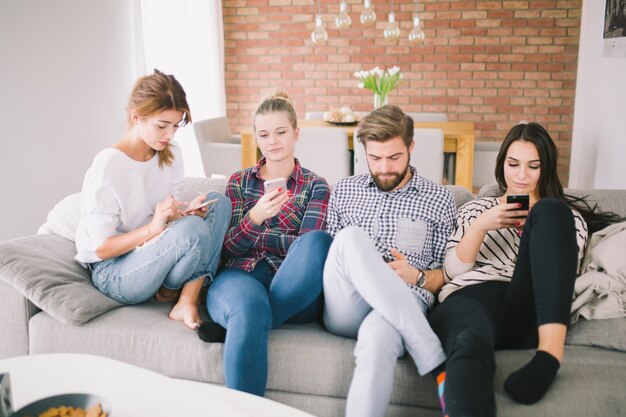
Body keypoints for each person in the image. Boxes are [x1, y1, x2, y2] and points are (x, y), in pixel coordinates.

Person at [429, 122, 623, 416]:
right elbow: (452, 272)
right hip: (470, 298)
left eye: (533, 166)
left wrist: (534, 227)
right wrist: (484, 224)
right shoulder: (475, 210)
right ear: (502, 163)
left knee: (550, 210)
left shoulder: (565, 218)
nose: (521, 176)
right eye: (513, 164)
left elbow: (559, 273)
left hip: (526, 303)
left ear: (546, 168)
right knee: (468, 344)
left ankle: (549, 355)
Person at [323, 105, 456, 417]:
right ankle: (435, 360)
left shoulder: (439, 199)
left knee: (377, 340)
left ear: (411, 147)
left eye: (394, 157)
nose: (384, 167)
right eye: (375, 158)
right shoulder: (344, 190)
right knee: (351, 238)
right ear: (364, 152)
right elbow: (333, 256)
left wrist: (417, 276)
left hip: (404, 301)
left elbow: (446, 275)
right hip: (348, 304)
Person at [74, 69, 231, 330]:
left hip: (154, 252)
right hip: (115, 270)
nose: (169, 135)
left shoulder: (171, 153)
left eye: (175, 126)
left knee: (219, 203)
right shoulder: (109, 166)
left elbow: (164, 218)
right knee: (193, 231)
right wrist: (153, 228)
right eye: (162, 125)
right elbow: (101, 248)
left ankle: (185, 300)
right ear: (137, 117)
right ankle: (180, 290)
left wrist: (183, 213)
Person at [201, 90, 334, 396]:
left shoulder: (316, 186)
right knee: (248, 306)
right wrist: (255, 217)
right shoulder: (239, 181)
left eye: (281, 132)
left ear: (296, 133)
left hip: (291, 286)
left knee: (319, 242)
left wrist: (255, 233)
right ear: (256, 137)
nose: (272, 141)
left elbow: (305, 250)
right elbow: (227, 248)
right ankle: (247, 321)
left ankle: (238, 325)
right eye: (264, 134)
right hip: (240, 275)